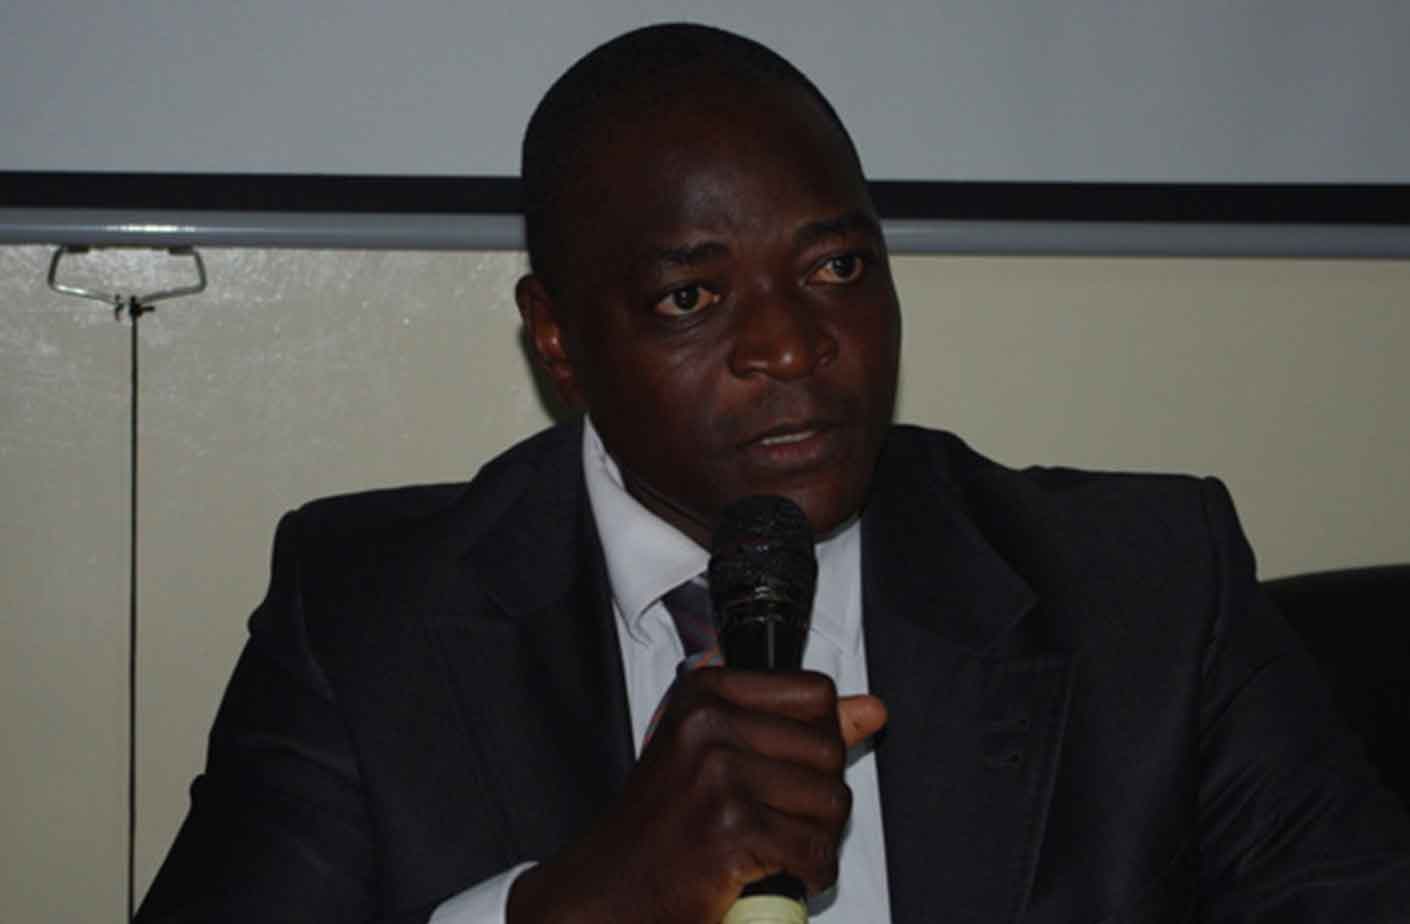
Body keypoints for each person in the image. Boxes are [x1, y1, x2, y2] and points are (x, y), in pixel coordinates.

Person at [137, 23, 1410, 924]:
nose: (794, 347)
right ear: (557, 341)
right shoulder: (368, 618)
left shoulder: (1145, 586)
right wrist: (572, 911)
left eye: (837, 268)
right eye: (692, 297)